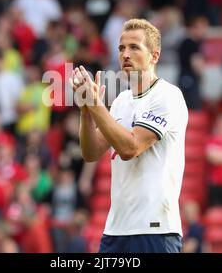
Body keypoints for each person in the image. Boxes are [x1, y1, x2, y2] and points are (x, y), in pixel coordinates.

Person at [70, 19, 188, 253]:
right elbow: (91, 152)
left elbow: (129, 149)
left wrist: (95, 105)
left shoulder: (167, 96)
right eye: (122, 48)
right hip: (116, 229)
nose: (125, 53)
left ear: (154, 56)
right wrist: (86, 112)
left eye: (134, 47)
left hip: (155, 230)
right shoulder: (121, 101)